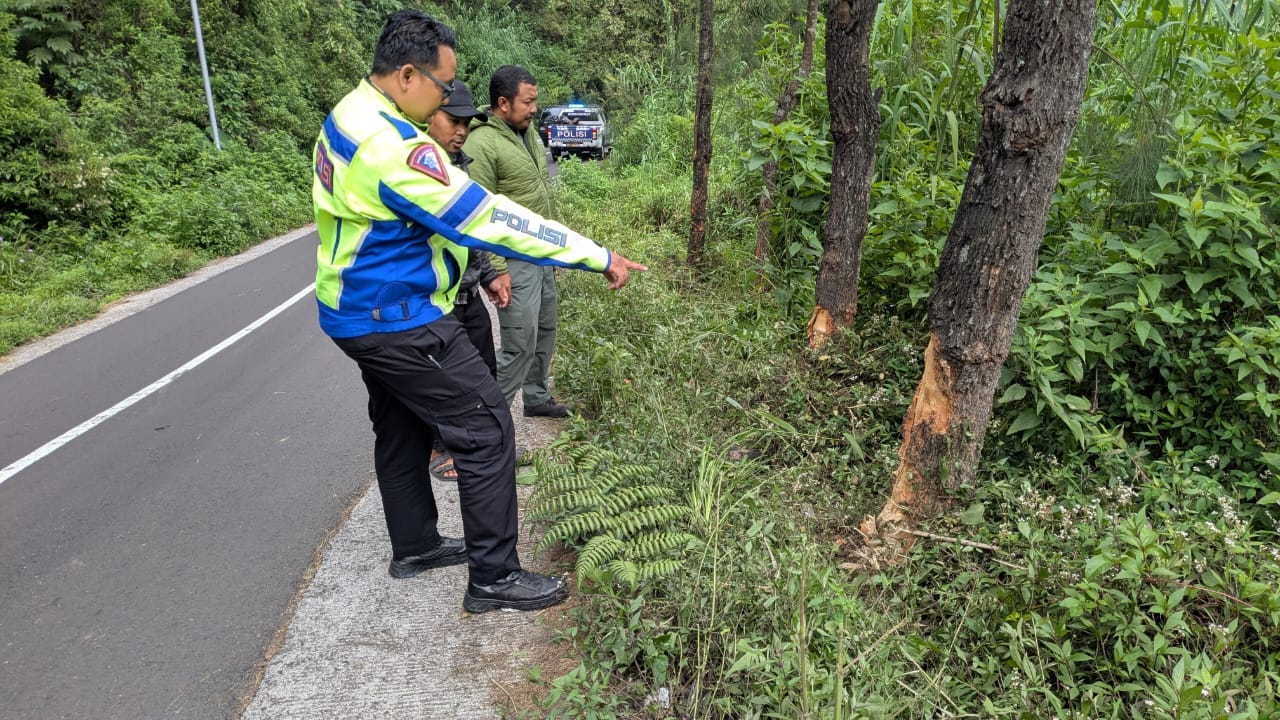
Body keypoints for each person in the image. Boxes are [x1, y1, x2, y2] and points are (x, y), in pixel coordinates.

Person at [311, 10, 646, 613]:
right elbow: (491, 218)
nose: (448, 101)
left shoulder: (350, 111)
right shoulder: (395, 147)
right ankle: (494, 576)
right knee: (487, 427)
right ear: (408, 75)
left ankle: (414, 546)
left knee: (401, 425)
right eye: (443, 88)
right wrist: (596, 255)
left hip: (350, 309)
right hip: (399, 316)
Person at [463, 65, 568, 418]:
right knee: (518, 344)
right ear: (503, 103)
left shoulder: (529, 132)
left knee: (544, 331)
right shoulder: (482, 142)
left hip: (541, 253)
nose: (534, 108)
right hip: (512, 258)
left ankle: (536, 396)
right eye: (529, 102)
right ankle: (493, 426)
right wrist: (496, 269)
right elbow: (476, 215)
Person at [423, 80, 508, 483]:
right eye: (452, 121)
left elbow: (470, 231)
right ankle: (445, 449)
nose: (460, 131)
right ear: (429, 117)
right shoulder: (419, 170)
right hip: (436, 302)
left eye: (466, 124)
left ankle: (486, 445)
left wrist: (489, 274)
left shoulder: (460, 166)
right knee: (446, 381)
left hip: (468, 293)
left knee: (483, 373)